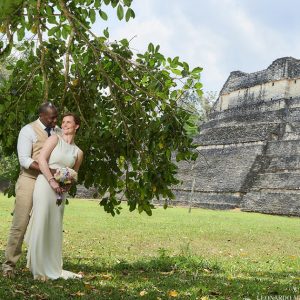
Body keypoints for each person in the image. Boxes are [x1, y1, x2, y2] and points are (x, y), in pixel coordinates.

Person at [2, 102, 59, 278]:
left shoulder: (56, 132)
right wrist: (48, 170)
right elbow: (25, 160)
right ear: (42, 115)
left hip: (48, 183)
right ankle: (9, 265)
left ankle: (42, 265)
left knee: (45, 224)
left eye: (56, 117)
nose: (55, 121)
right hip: (29, 180)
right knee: (20, 223)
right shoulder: (28, 130)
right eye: (52, 118)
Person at [24, 113, 83, 280]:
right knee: (41, 221)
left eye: (68, 122)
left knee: (54, 225)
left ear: (76, 126)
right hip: (45, 184)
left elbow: (74, 174)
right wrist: (52, 181)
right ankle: (38, 269)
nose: (64, 125)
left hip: (60, 192)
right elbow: (41, 160)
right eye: (63, 122)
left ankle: (52, 266)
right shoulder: (54, 140)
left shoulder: (78, 152)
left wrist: (66, 186)